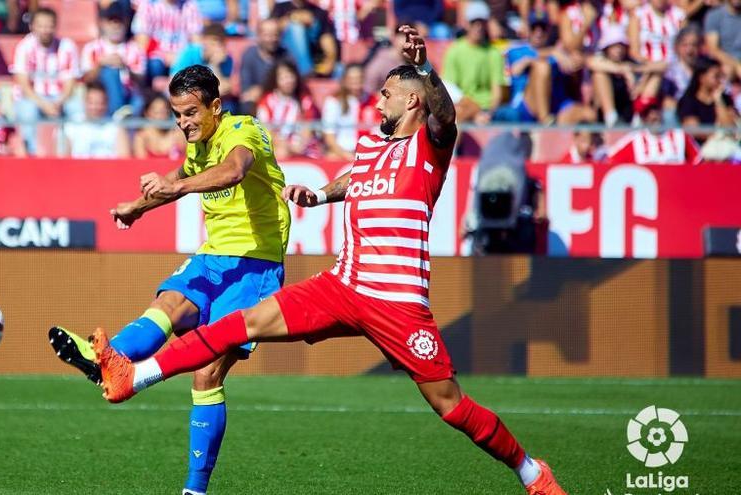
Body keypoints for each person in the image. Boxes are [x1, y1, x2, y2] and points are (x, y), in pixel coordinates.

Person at [88, 27, 567, 495]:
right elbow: (353, 180)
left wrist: (425, 70)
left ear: (411, 101)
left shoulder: (429, 147)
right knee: (238, 325)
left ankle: (530, 472)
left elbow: (445, 115)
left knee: (451, 406)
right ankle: (133, 377)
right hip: (342, 285)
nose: (377, 103)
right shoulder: (371, 146)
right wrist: (318, 195)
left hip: (398, 303)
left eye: (386, 95)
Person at [48, 65, 291, 495]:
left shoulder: (244, 130)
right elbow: (178, 177)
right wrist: (137, 207)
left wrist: (175, 189)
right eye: (177, 115)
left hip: (254, 266)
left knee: (206, 376)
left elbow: (234, 170)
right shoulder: (199, 144)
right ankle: (107, 360)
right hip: (211, 257)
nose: (183, 123)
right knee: (168, 305)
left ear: (216, 107)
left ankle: (194, 490)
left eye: (191, 113)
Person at [12, 7, 82, 156]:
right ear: (32, 26)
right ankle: (31, 154)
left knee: (78, 109)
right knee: (27, 110)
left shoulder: (67, 46)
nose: (45, 30)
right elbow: (23, 85)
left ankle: (76, 153)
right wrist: (44, 104)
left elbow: (70, 84)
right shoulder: (24, 47)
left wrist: (58, 103)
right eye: (41, 26)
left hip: (59, 98)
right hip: (33, 97)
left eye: (49, 26)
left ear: (55, 26)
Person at [441, 1, 506, 123]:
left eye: (481, 23)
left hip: (488, 109)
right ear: (467, 24)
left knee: (510, 114)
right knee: (455, 114)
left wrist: (489, 114)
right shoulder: (455, 50)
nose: (478, 27)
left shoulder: (494, 53)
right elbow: (449, 87)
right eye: (474, 22)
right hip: (463, 106)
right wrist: (474, 112)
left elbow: (497, 92)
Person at [80, 2, 146, 118]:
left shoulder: (135, 49)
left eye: (119, 22)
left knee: (141, 99)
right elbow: (86, 80)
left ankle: (119, 116)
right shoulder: (91, 48)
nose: (115, 26)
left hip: (129, 96)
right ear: (103, 23)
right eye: (111, 21)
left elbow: (142, 81)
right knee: (110, 73)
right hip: (100, 99)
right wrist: (100, 65)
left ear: (126, 23)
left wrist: (125, 67)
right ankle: (115, 115)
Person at [256, 59, 320, 158]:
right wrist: (287, 147)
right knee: (281, 152)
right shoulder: (266, 102)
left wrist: (299, 146)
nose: (288, 81)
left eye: (290, 76)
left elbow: (308, 128)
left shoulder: (305, 100)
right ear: (275, 80)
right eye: (283, 77)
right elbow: (266, 131)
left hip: (303, 149)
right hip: (278, 148)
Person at [320, 63, 380, 160]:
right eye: (352, 79)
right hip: (343, 153)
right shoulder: (334, 101)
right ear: (344, 80)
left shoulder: (374, 100)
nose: (356, 82)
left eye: (359, 78)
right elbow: (329, 135)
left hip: (370, 152)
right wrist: (345, 155)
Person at [271, 0, 339, 77]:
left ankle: (308, 72)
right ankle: (306, 72)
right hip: (285, 56)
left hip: (314, 57)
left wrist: (330, 59)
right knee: (296, 28)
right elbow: (272, 31)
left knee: (340, 69)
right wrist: (293, 17)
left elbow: (327, 39)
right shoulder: (280, 8)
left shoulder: (319, 12)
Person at [62, 82, 130, 158]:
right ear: (84, 102)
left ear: (107, 103)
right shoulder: (73, 124)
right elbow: (64, 158)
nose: (96, 107)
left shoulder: (115, 125)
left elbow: (124, 157)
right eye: (92, 103)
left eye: (100, 103)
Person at [239, 18, 285, 115]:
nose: (272, 39)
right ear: (259, 36)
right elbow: (246, 90)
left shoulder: (285, 56)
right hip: (255, 102)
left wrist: (263, 90)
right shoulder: (249, 55)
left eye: (275, 34)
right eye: (268, 35)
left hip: (280, 101)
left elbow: (290, 84)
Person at [132, 91, 184, 159]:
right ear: (147, 113)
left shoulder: (177, 134)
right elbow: (141, 163)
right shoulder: (141, 137)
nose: (161, 116)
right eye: (156, 112)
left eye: (164, 111)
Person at [704, 0, 741, 82]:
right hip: (726, 60)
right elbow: (713, 49)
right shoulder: (714, 15)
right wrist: (736, 65)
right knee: (727, 70)